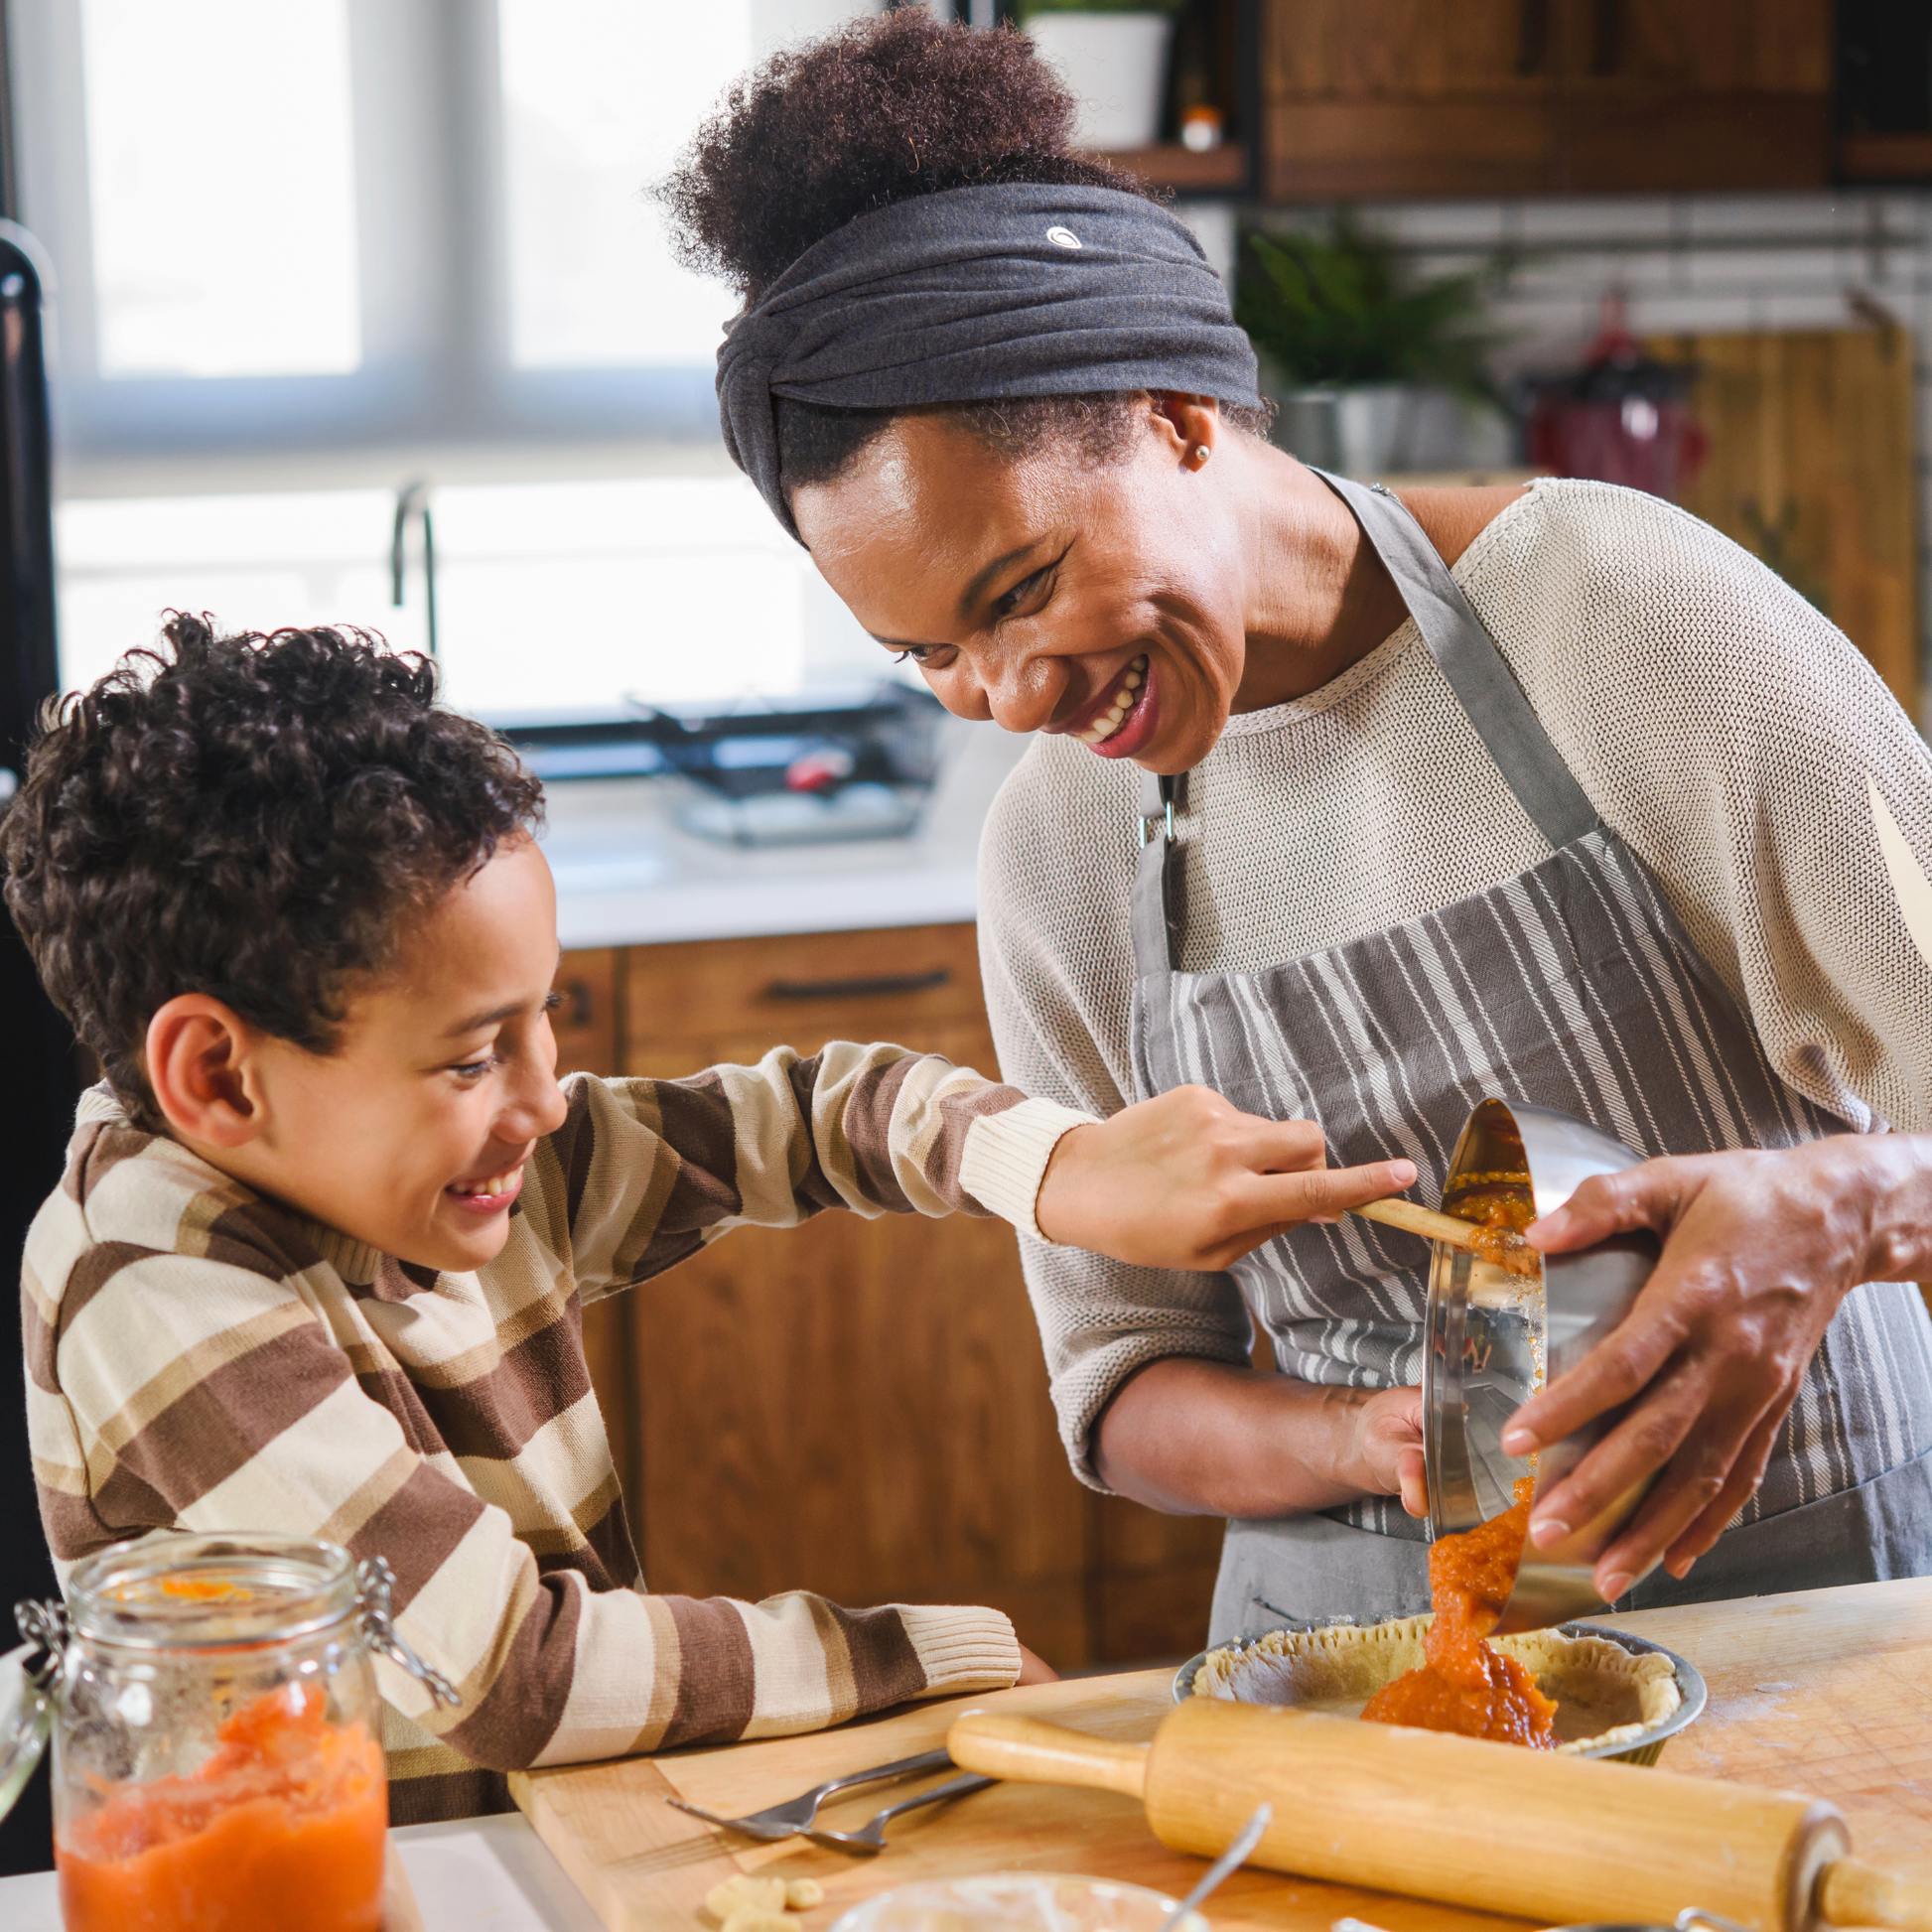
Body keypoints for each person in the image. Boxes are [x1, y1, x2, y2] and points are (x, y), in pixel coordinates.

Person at [662, 10, 1932, 1643]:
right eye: (930, 657)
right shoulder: (1055, 855)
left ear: (1180, 414)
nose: (1007, 694)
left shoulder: (1613, 620)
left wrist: (1840, 1208)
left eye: (1023, 589)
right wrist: (1354, 1440)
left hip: (1799, 1599)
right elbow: (1125, 1385)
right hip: (1336, 1649)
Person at [5, 616, 1414, 1823]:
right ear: (217, 1075)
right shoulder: (150, 1275)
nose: (546, 1099)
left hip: (526, 1844)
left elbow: (811, 1116)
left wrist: (1060, 1170)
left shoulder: (412, 1160)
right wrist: (927, 1656)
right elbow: (515, 1671)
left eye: (541, 1018)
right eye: (470, 1053)